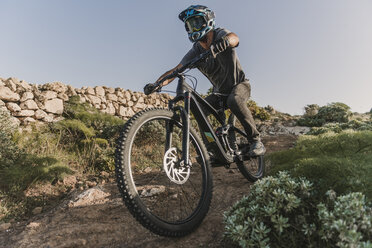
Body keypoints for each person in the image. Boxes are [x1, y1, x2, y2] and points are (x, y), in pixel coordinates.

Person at [145, 5, 265, 156]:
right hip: (219, 93)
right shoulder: (196, 50)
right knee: (200, 111)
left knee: (234, 101)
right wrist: (157, 84)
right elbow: (175, 70)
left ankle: (256, 141)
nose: (193, 28)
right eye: (189, 25)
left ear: (207, 21)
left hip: (239, 85)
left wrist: (226, 42)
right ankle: (212, 150)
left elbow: (234, 38)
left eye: (196, 23)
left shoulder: (220, 34)